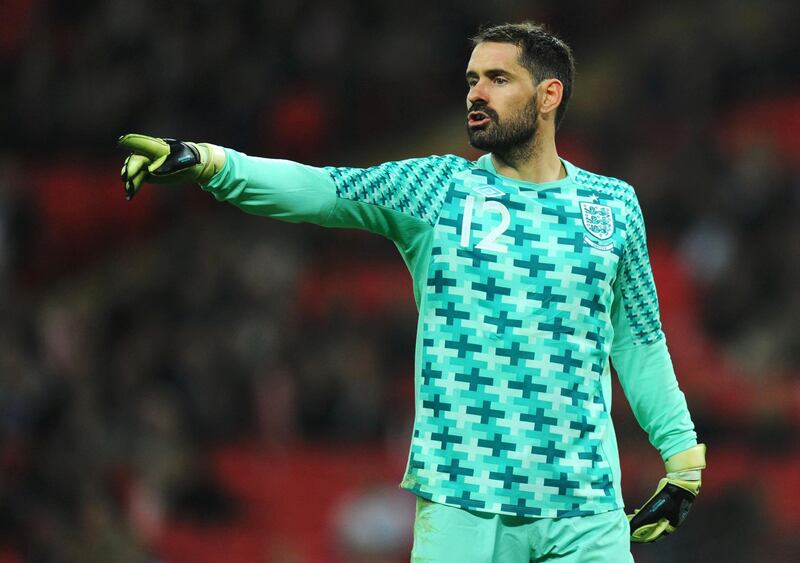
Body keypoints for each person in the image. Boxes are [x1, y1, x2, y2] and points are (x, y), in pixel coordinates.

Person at [119, 21, 706, 563]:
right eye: (472, 80)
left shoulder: (611, 205)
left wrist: (682, 461)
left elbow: (637, 339)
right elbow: (324, 191)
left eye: (498, 79)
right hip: (463, 494)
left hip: (584, 502)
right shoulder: (438, 188)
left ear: (549, 95)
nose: (477, 93)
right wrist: (211, 162)